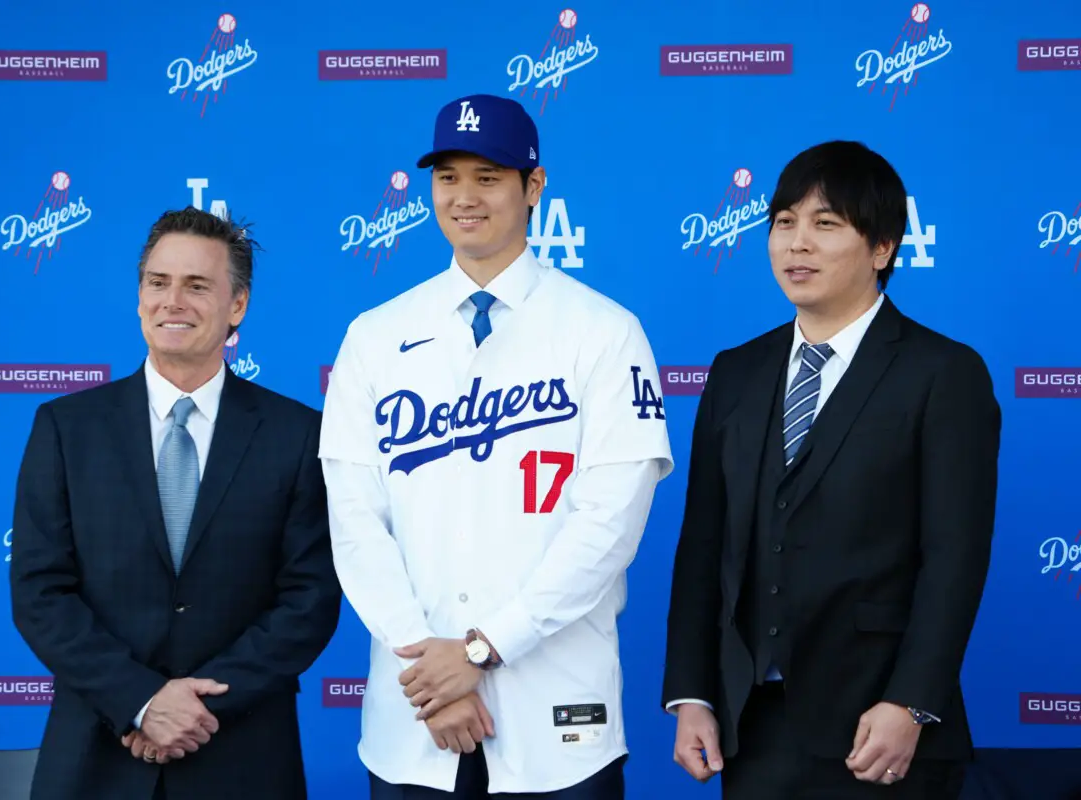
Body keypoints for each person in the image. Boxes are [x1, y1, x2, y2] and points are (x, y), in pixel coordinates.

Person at [319, 93, 674, 799]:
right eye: (447, 176)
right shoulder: (375, 334)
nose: (464, 197)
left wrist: (483, 648)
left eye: (488, 176)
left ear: (533, 186)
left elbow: (609, 526)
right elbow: (355, 525)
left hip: (558, 719)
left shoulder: (605, 331)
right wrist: (433, 675)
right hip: (415, 716)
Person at [661, 140, 1001, 799]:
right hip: (751, 728)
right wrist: (692, 694)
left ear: (882, 249)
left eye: (825, 224)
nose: (797, 245)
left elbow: (955, 558)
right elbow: (703, 547)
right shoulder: (737, 371)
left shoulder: (943, 373)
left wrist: (912, 703)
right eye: (784, 222)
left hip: (881, 732)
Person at [9, 207, 342, 800]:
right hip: (97, 756)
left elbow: (309, 601)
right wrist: (139, 701)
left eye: (197, 285)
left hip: (242, 757)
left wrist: (193, 708)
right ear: (139, 296)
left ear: (237, 306)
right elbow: (40, 594)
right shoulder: (66, 428)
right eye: (158, 283)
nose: (173, 301)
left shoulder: (297, 435)